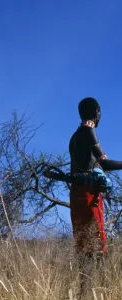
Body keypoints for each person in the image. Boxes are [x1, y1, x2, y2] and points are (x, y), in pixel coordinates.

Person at [69, 97, 122, 296]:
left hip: (77, 194)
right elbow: (104, 164)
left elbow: (87, 166)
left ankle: (84, 293)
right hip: (88, 194)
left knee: (84, 248)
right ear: (97, 112)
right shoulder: (89, 131)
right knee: (97, 248)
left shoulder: (74, 137)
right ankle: (100, 293)